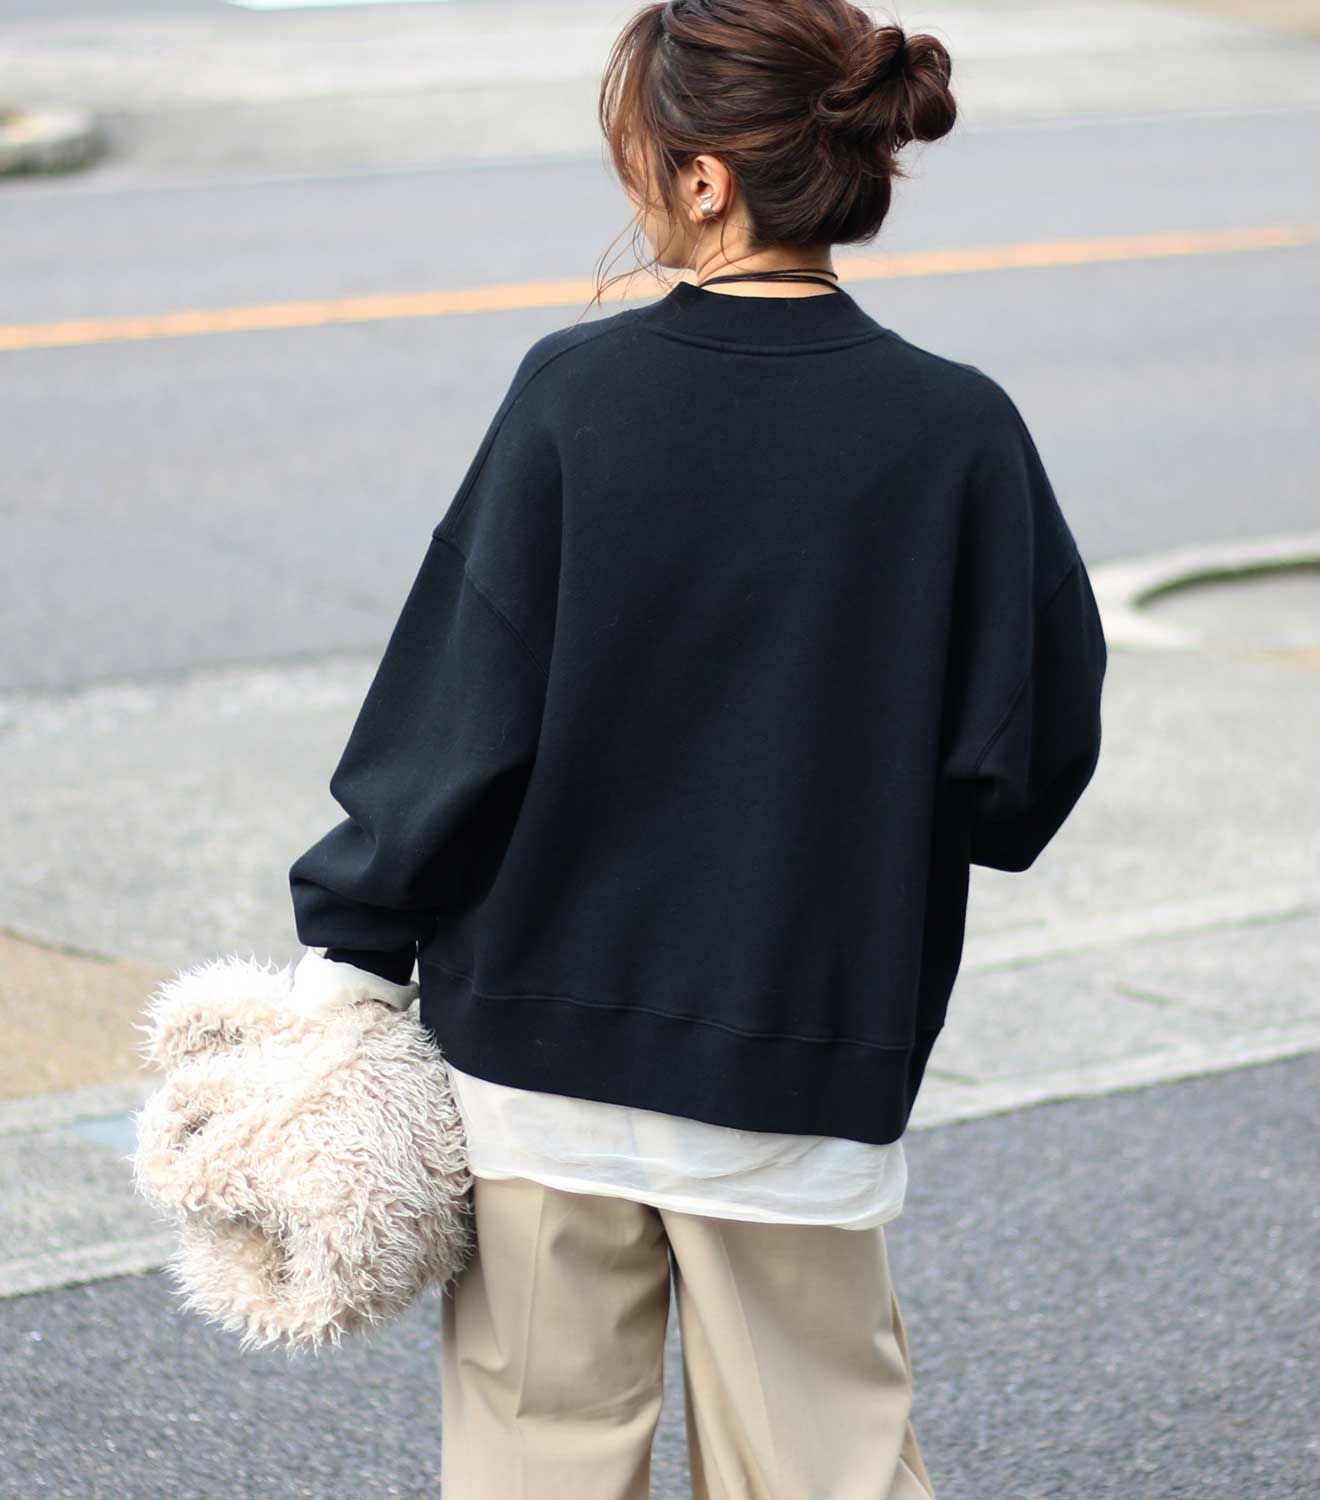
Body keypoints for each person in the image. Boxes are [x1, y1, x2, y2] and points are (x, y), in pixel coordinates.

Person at [286, 0, 1108, 1494]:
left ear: (709, 179)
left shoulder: (573, 397)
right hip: (804, 1042)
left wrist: (353, 942)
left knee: (535, 1462)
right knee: (820, 1466)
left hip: (537, 1048)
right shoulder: (957, 432)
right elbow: (1023, 771)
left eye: (642, 158)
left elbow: (455, 711)